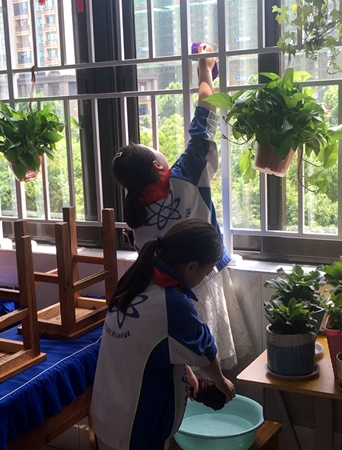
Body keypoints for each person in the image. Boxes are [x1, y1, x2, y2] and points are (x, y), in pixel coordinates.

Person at [111, 44, 252, 370]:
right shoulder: (185, 176)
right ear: (158, 166)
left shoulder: (134, 216)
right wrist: (204, 72)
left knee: (184, 374)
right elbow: (204, 118)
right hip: (205, 283)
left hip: (165, 300)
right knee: (211, 361)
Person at [91, 218, 236, 450]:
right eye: (206, 272)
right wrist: (222, 383)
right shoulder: (173, 305)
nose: (204, 279)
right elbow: (205, 353)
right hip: (138, 425)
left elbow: (150, 341)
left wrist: (186, 370)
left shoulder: (136, 280)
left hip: (108, 413)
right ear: (191, 267)